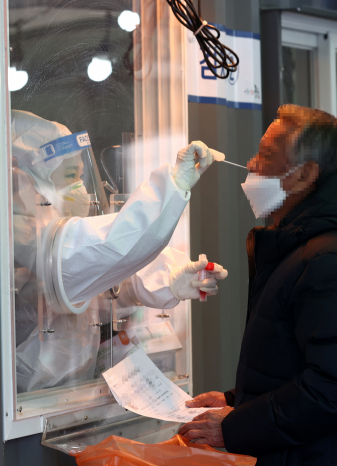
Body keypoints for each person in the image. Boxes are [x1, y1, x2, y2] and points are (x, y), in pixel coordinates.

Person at [179, 104, 337, 465]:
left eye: (266, 156)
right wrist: (237, 401)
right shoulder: (308, 246)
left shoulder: (329, 259)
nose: (251, 164)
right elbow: (305, 363)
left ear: (304, 175)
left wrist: (236, 427)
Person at [11, 109, 228, 392]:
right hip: (21, 406)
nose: (80, 187)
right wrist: (171, 188)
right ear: (32, 183)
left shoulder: (47, 233)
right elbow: (76, 263)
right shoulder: (21, 233)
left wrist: (168, 279)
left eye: (81, 174)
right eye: (69, 175)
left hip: (67, 395)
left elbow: (101, 288)